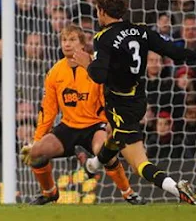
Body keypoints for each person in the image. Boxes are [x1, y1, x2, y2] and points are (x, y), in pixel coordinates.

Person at [75, 0, 196, 205]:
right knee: (114, 136)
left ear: (101, 11)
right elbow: (171, 50)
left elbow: (98, 76)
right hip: (139, 100)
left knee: (139, 164)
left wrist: (87, 63)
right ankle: (93, 165)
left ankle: (177, 189)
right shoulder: (141, 30)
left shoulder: (103, 38)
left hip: (121, 106)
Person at [20, 24, 144, 205]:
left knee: (105, 152)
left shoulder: (95, 66)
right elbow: (48, 109)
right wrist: (37, 139)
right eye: (64, 40)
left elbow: (108, 97)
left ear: (83, 44)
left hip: (95, 126)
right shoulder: (55, 72)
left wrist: (111, 121)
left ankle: (128, 192)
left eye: (72, 40)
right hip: (68, 127)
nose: (67, 44)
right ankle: (50, 192)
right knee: (36, 153)